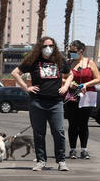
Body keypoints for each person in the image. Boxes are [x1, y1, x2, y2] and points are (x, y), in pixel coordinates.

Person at [12, 36, 73, 171]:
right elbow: (15, 73)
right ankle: (41, 161)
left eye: (51, 45)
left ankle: (61, 161)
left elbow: (70, 74)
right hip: (37, 102)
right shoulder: (33, 61)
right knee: (39, 133)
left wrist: (66, 86)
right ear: (40, 47)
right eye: (45, 46)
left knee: (59, 131)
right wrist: (26, 87)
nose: (48, 48)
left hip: (56, 102)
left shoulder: (59, 60)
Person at [64, 40, 100, 160]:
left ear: (81, 51)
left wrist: (85, 84)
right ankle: (72, 149)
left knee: (83, 123)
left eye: (74, 51)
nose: (71, 53)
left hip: (87, 95)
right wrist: (70, 84)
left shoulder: (90, 63)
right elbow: (61, 78)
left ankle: (84, 150)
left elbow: (98, 79)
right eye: (70, 51)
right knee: (72, 123)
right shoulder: (68, 63)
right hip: (72, 96)